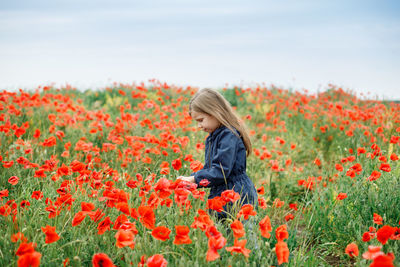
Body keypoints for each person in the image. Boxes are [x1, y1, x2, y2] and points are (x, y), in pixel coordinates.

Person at [178, 88, 258, 220]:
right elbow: (211, 169)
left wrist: (194, 179)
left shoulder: (228, 136)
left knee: (243, 235)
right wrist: (191, 180)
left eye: (201, 120)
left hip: (237, 193)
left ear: (215, 112)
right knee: (224, 235)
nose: (199, 126)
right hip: (222, 191)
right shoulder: (213, 137)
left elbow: (220, 171)